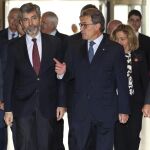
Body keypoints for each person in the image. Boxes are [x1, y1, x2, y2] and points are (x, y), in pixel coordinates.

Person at [54, 8, 130, 150]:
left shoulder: (114, 49)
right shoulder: (74, 47)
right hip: (80, 112)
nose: (81, 28)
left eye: (85, 25)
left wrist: (124, 109)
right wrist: (63, 72)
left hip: (105, 112)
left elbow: (122, 81)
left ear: (97, 26)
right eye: (81, 24)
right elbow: (70, 76)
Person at [4, 3, 66, 150]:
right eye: (26, 19)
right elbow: (9, 79)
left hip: (48, 106)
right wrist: (8, 109)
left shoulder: (55, 43)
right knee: (24, 146)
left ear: (39, 19)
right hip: (22, 107)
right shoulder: (13, 46)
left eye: (33, 18)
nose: (30, 23)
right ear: (22, 22)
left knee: (46, 145)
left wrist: (62, 103)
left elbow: (61, 77)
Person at [111, 24, 149, 150]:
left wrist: (147, 103)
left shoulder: (140, 56)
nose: (119, 42)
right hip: (115, 104)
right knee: (118, 139)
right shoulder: (110, 58)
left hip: (135, 103)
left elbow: (146, 81)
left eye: (123, 39)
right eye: (117, 39)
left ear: (130, 39)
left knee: (133, 138)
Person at [41, 11, 68, 150]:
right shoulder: (37, 39)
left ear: (53, 24)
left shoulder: (65, 40)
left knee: (56, 132)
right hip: (41, 94)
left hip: (57, 92)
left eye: (44, 23)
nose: (41, 25)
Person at [128, 9, 150, 74]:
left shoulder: (147, 40)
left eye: (137, 20)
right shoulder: (122, 38)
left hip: (142, 76)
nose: (134, 23)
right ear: (128, 21)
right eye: (132, 20)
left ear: (140, 23)